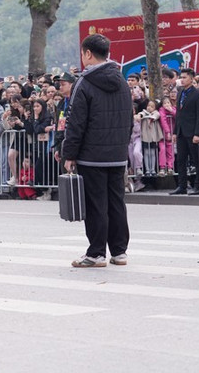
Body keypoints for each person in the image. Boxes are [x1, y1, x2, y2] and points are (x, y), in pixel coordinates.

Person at [62, 34, 133, 268]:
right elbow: (129, 118)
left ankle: (96, 253)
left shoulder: (85, 82)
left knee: (96, 205)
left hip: (92, 155)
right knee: (116, 203)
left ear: (88, 54)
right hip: (117, 154)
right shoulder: (122, 80)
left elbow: (76, 122)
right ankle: (119, 251)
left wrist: (69, 154)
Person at [169, 68, 199, 195]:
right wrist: (175, 132)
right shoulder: (180, 93)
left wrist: (197, 133)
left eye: (185, 77)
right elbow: (178, 114)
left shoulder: (198, 94)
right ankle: (182, 185)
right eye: (181, 77)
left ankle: (198, 185)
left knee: (196, 159)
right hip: (181, 132)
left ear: (191, 78)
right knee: (181, 159)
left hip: (192, 132)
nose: (182, 80)